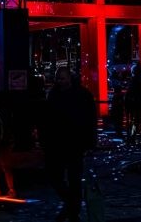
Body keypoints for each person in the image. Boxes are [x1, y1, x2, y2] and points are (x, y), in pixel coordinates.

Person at [39, 67, 97, 222]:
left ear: (69, 79)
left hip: (73, 143)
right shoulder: (57, 94)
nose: (59, 81)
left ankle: (72, 209)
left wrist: (89, 141)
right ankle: (72, 207)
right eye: (58, 78)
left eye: (62, 78)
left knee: (73, 178)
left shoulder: (79, 95)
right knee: (60, 177)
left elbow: (89, 120)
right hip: (60, 143)